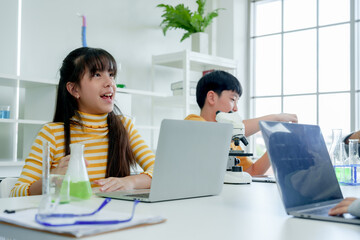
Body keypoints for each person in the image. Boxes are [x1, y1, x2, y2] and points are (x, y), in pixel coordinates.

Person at [10, 47, 155, 197]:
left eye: (111, 75)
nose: (109, 83)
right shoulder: (52, 133)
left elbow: (161, 171)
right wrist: (52, 179)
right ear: (74, 89)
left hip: (114, 213)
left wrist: (130, 182)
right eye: (97, 75)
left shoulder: (125, 126)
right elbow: (16, 193)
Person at [185, 70, 298, 176]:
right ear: (211, 97)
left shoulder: (232, 140)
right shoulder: (192, 123)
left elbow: (252, 172)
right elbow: (219, 134)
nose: (235, 108)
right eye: (233, 99)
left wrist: (274, 146)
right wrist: (274, 118)